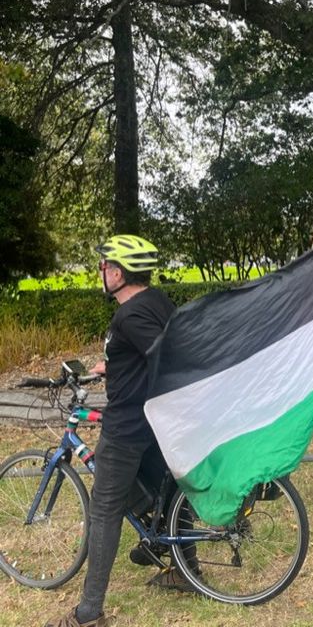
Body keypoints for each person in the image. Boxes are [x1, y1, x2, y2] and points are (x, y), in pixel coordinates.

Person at [46, 235, 181, 627]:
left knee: (104, 509)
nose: (101, 272)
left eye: (104, 266)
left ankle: (88, 614)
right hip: (154, 418)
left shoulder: (129, 315)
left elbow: (163, 355)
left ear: (118, 273)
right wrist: (117, 365)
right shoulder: (154, 300)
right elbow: (153, 350)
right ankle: (186, 570)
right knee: (165, 491)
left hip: (127, 425)